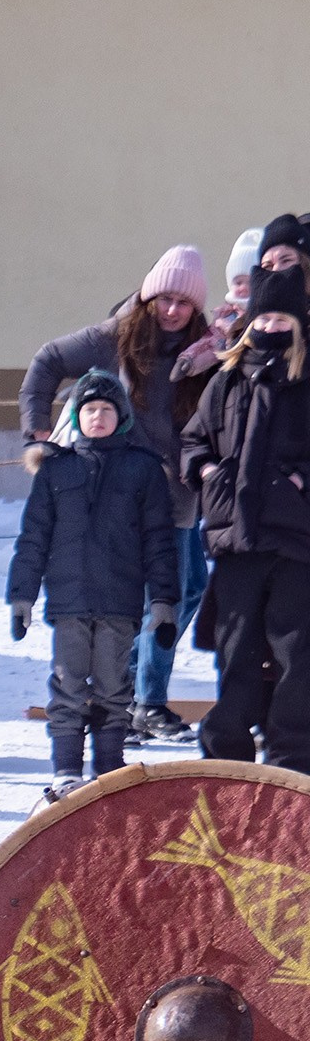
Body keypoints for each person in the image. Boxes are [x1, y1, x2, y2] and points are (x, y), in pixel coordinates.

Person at [16, 245, 213, 740]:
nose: (172, 310)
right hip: (120, 486)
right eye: (164, 298)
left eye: (183, 303)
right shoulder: (115, 337)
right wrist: (36, 431)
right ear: (148, 296)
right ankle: (132, 699)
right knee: (144, 596)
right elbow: (47, 361)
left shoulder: (205, 347)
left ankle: (125, 693)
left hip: (177, 490)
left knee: (186, 589)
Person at [8, 369, 179, 795]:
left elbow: (159, 539)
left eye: (106, 409)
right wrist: (21, 595)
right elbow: (33, 537)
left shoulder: (143, 469)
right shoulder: (56, 469)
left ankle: (110, 771)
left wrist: (164, 600)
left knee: (113, 688)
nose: (97, 416)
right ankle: (66, 768)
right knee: (67, 685)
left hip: (119, 602)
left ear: (120, 416)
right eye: (89, 409)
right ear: (76, 416)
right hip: (68, 602)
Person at [182, 268, 310, 773]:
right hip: (235, 543)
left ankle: (293, 765)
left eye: (282, 317)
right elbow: (193, 440)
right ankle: (226, 762)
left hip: (296, 544)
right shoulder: (226, 381)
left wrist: (299, 484)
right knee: (235, 657)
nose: (272, 326)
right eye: (265, 316)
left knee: (296, 658)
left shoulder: (305, 381)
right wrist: (207, 471)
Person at [213, 229, 264, 344]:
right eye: (238, 282)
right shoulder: (224, 314)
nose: (243, 288)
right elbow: (208, 341)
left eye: (250, 282)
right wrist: (189, 357)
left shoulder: (266, 315)